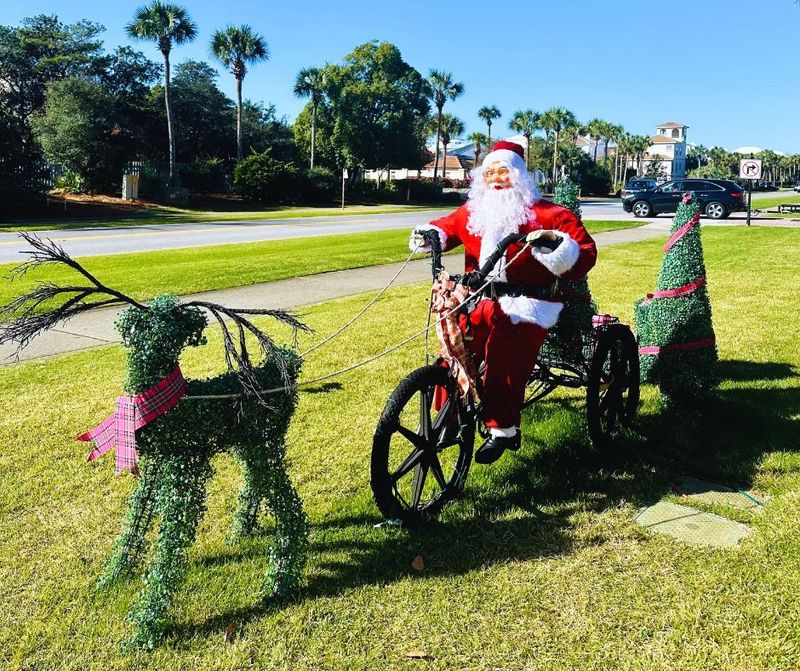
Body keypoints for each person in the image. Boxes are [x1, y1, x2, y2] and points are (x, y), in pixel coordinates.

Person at [410, 140, 597, 464]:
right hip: (479, 302)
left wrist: (554, 243)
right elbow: (445, 228)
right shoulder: (474, 212)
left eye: (505, 171)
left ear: (521, 176)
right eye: (491, 171)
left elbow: (584, 255)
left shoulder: (550, 214)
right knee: (454, 352)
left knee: (504, 356)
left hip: (529, 304)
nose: (497, 177)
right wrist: (430, 234)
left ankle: (503, 430)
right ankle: (448, 417)